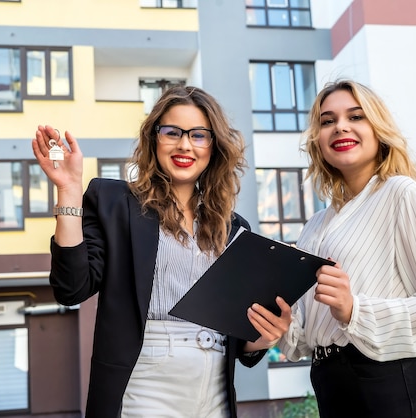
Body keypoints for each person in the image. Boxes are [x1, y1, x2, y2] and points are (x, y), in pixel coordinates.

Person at [32, 85, 292, 418]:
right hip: (145, 383)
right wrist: (68, 192)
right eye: (172, 132)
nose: (185, 144)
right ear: (154, 139)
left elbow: (239, 340)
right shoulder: (113, 202)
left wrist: (262, 337)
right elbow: (72, 289)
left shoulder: (235, 228)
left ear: (214, 147)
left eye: (199, 135)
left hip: (215, 390)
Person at [277, 80, 416, 418]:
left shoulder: (401, 193)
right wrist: (280, 323)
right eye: (327, 120)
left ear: (378, 130)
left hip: (396, 383)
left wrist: (356, 310)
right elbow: (306, 339)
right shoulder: (314, 227)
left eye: (356, 116)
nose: (340, 127)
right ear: (317, 140)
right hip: (330, 383)